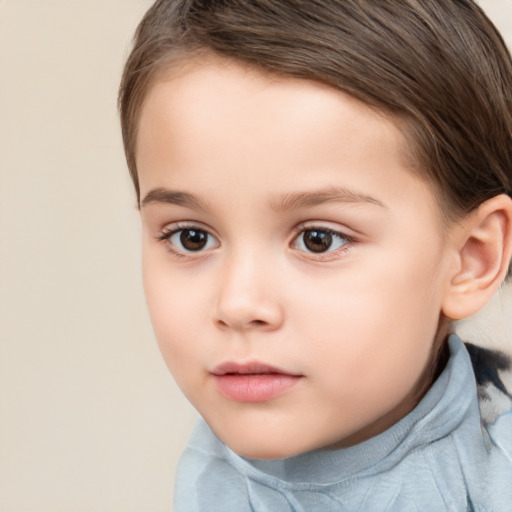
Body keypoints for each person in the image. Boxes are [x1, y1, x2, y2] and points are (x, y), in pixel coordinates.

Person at [118, 1, 512, 510]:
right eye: (191, 237)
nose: (238, 304)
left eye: (318, 240)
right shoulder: (206, 483)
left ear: (471, 259)